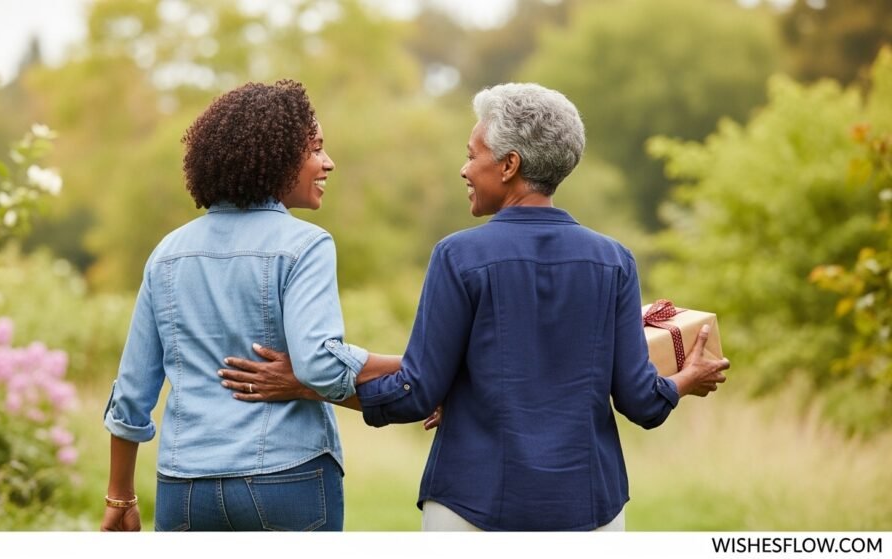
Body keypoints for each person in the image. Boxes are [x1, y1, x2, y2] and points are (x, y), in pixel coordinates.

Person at [218, 83, 731, 531]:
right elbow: (642, 402)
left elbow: (417, 392)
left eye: (472, 155)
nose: (464, 169)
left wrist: (309, 384)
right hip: (590, 509)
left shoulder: (459, 256)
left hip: (471, 507)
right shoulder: (614, 261)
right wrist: (688, 379)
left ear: (509, 165)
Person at [100, 80, 400, 532]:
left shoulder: (167, 254)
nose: (328, 162)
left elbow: (132, 391)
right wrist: (410, 364)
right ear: (278, 157)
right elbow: (319, 365)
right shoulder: (306, 245)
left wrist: (120, 495)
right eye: (316, 149)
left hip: (186, 487)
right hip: (287, 475)